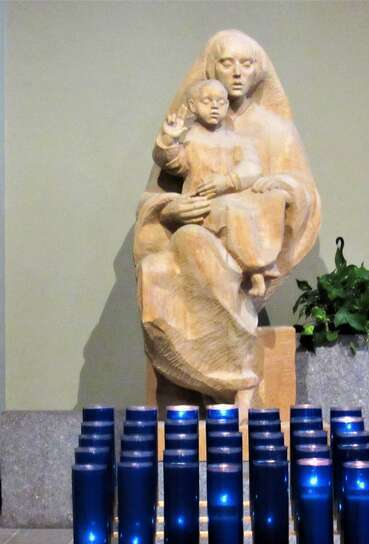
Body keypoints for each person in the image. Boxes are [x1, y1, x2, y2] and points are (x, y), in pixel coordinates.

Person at [134, 30, 321, 408]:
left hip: (244, 232)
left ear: (260, 71)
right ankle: (205, 377)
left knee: (206, 237)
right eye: (226, 62)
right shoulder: (192, 133)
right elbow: (161, 189)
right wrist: (170, 208)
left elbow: (304, 192)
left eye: (246, 63)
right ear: (209, 68)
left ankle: (231, 376)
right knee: (163, 264)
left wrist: (275, 187)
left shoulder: (275, 130)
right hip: (195, 231)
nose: (236, 73)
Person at [153, 79, 285, 297]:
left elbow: (252, 167)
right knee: (228, 211)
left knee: (239, 211)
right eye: (207, 101)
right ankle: (252, 271)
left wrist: (228, 180)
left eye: (221, 102)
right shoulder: (190, 140)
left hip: (231, 201)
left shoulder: (236, 140)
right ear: (193, 106)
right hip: (200, 206)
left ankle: (255, 270)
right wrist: (169, 139)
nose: (215, 106)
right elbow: (172, 163)